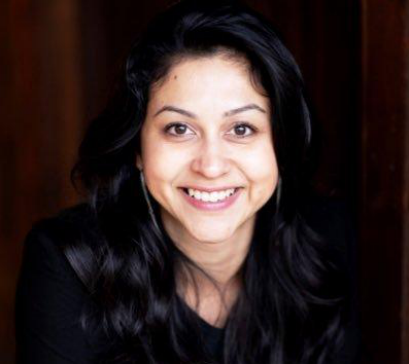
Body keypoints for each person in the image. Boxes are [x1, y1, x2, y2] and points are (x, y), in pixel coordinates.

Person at [15, 0, 362, 363]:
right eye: (179, 129)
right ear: (138, 146)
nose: (210, 166)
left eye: (241, 129)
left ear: (281, 143)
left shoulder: (328, 238)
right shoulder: (70, 264)